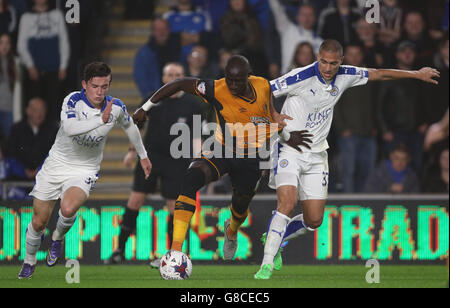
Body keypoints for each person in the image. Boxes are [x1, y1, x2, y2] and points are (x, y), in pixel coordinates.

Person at [254, 39, 440, 279]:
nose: (328, 68)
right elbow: (263, 91)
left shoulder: (346, 74)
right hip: (289, 148)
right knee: (287, 204)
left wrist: (416, 73)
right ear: (317, 57)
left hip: (317, 153)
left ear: (340, 61)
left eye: (333, 63)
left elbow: (379, 73)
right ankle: (266, 264)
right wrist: (276, 116)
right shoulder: (300, 76)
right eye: (323, 62)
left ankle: (277, 234)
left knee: (314, 220)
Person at [133, 55, 311, 261]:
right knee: (190, 180)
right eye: (229, 79)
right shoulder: (216, 88)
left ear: (249, 76)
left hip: (251, 157)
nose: (233, 85)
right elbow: (179, 84)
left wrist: (288, 135)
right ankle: (175, 252)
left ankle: (232, 230)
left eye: (238, 80)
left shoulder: (263, 86)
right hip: (221, 149)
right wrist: (145, 108)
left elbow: (272, 117)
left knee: (240, 208)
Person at [17, 62, 152, 279]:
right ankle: (30, 260)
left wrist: (143, 155)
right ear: (84, 84)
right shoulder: (73, 100)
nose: (100, 92)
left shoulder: (115, 106)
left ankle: (57, 239)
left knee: (68, 209)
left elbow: (130, 126)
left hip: (84, 169)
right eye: (95, 86)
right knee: (38, 221)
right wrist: (101, 119)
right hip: (56, 165)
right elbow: (70, 129)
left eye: (105, 86)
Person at [105, 62, 204, 266]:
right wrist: (131, 152)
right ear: (163, 78)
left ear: (183, 79)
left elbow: (197, 137)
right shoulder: (153, 100)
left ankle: (171, 255)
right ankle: (119, 250)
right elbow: (138, 127)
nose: (174, 78)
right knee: (135, 201)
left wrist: (197, 161)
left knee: (173, 207)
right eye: (170, 74)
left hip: (178, 161)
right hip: (151, 157)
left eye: (178, 75)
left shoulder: (194, 104)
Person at [333, 43, 377, 193]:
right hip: (349, 134)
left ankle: (364, 207)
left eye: (358, 54)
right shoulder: (338, 77)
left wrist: (374, 126)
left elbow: (374, 103)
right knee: (348, 173)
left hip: (368, 133)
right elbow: (333, 105)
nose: (355, 57)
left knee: (367, 172)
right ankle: (349, 204)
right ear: (344, 58)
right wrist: (342, 129)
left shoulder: (369, 75)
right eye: (351, 54)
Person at [16, 0, 70, 122]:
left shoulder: (57, 15)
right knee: (34, 109)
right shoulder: (26, 17)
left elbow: (64, 42)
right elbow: (21, 45)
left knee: (54, 109)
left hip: (54, 70)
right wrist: (30, 66)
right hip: (34, 72)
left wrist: (63, 66)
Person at [6, 97, 58, 181]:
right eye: (35, 110)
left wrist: (39, 170)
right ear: (28, 111)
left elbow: (54, 155)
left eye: (42, 110)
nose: (39, 114)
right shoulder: (16, 129)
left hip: (46, 178)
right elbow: (10, 154)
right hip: (19, 178)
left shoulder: (53, 129)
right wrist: (23, 171)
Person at [269, 0, 323, 74]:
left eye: (310, 14)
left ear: (315, 18)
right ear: (297, 16)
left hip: (309, 80)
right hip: (286, 77)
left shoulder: (320, 42)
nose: (307, 18)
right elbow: (276, 9)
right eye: (303, 14)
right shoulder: (288, 29)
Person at [133, 16, 181, 99]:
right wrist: (152, 98)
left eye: (164, 29)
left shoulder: (177, 49)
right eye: (158, 30)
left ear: (169, 30)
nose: (162, 32)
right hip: (156, 99)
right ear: (153, 32)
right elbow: (141, 78)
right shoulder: (144, 53)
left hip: (177, 96)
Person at [0, 32, 17, 139]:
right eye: (1, 43)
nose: (4, 46)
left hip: (9, 109)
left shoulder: (16, 63)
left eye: (7, 43)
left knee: (10, 142)